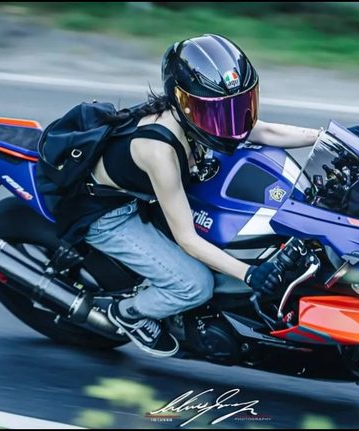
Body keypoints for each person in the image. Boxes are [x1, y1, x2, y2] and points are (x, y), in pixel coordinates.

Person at [84, 34, 326, 357]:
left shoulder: (201, 116)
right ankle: (128, 312)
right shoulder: (159, 151)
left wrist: (325, 138)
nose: (231, 121)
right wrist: (249, 273)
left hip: (149, 192)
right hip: (107, 213)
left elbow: (263, 131)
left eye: (237, 106)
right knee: (196, 285)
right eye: (220, 112)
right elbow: (187, 239)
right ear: (183, 103)